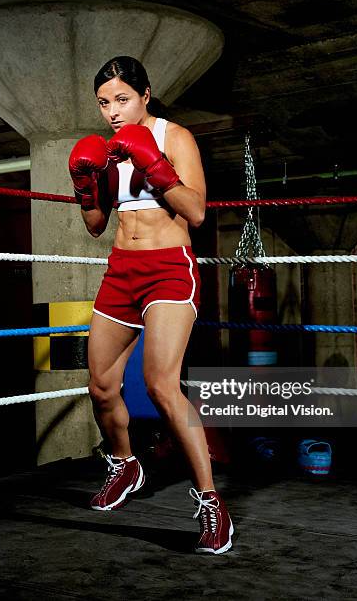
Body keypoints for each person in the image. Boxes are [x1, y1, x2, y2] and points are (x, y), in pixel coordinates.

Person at [68, 56, 233, 555]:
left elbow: (197, 212)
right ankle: (126, 463)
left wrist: (153, 165)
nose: (113, 112)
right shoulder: (106, 150)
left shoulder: (173, 136)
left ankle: (211, 503)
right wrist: (84, 183)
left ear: (144, 95)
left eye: (121, 99)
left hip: (167, 269)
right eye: (103, 103)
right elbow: (97, 224)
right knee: (100, 384)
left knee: (161, 385)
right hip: (121, 272)